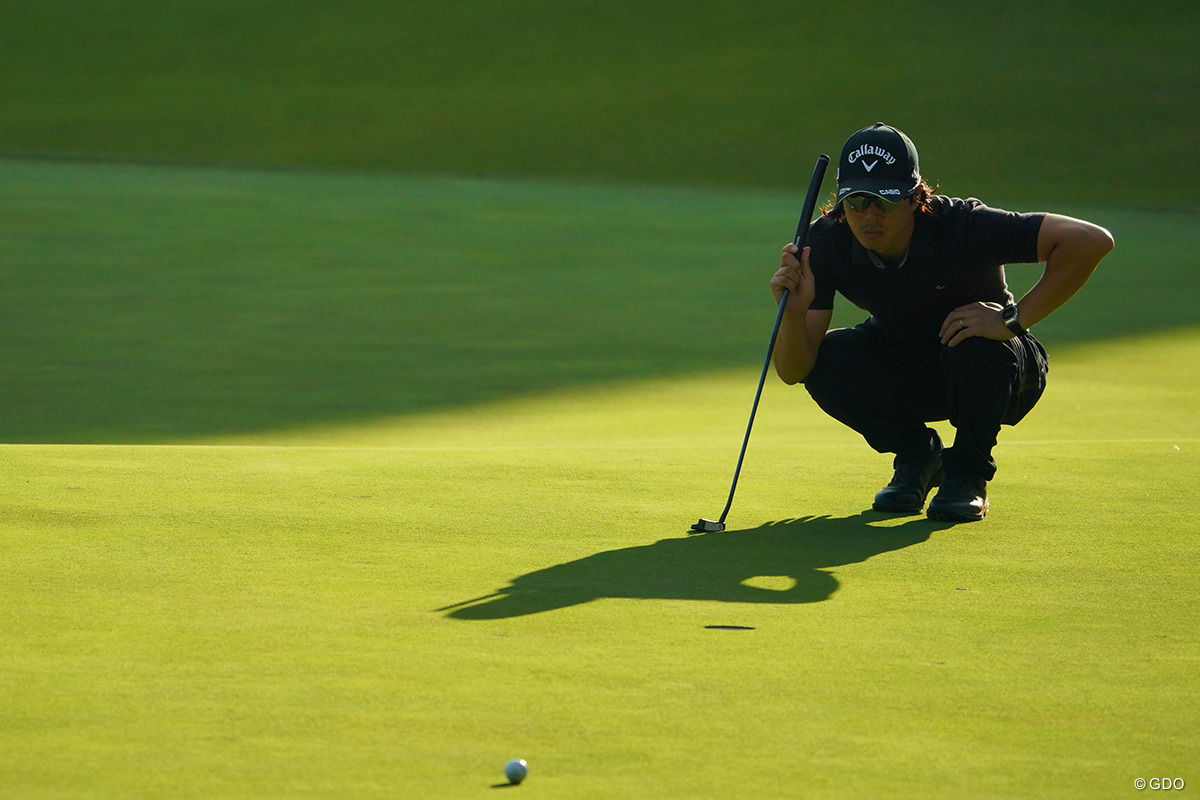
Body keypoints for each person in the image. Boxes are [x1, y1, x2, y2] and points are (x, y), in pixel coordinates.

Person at [771, 123, 1114, 522]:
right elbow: (793, 370)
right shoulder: (826, 242)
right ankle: (920, 457)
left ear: (917, 198)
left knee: (974, 342)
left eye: (886, 200)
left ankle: (967, 474)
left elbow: (1091, 240)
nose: (870, 216)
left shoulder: (963, 224)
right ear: (840, 204)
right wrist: (793, 315)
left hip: (999, 372)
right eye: (857, 202)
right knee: (828, 359)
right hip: (912, 365)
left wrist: (1012, 319)